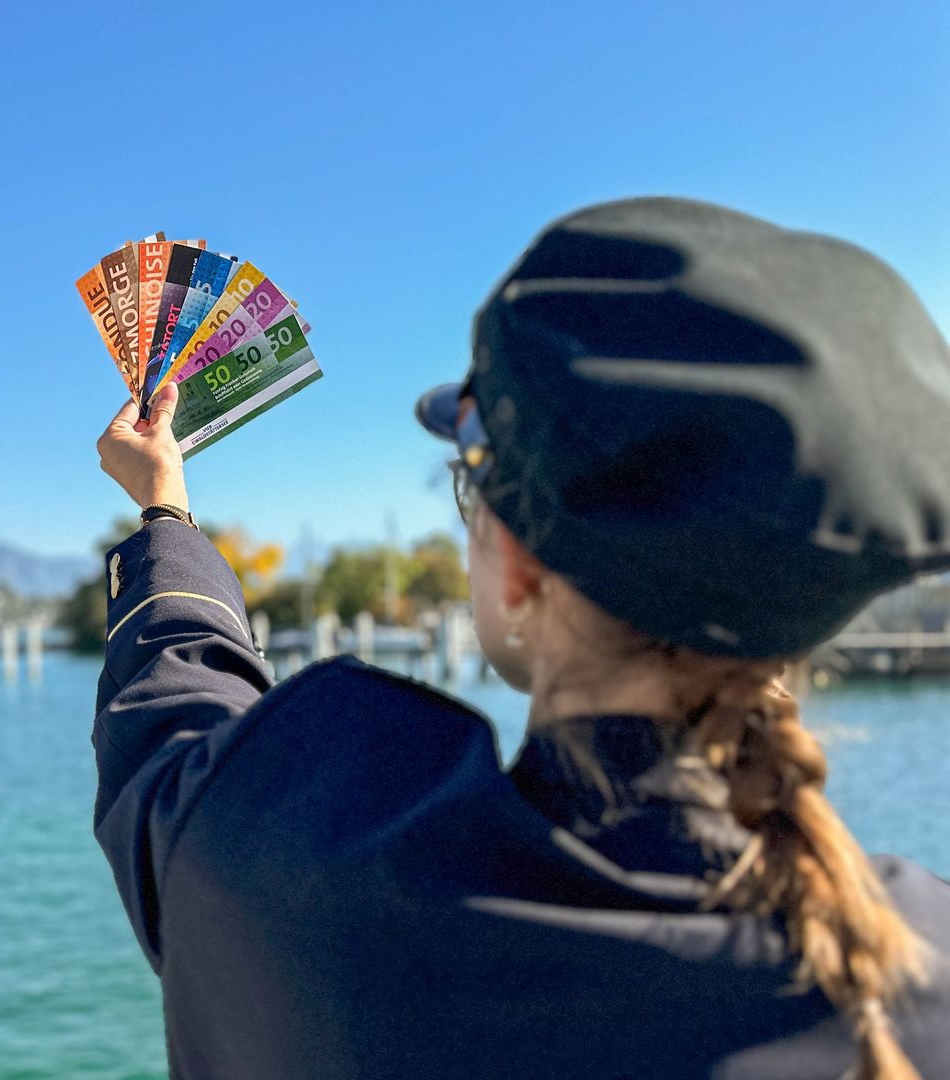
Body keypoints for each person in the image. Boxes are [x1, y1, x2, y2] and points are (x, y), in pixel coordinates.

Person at [90, 197, 950, 1079]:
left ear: (525, 566)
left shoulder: (298, 878)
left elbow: (175, 740)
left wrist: (166, 509)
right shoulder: (921, 974)